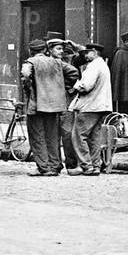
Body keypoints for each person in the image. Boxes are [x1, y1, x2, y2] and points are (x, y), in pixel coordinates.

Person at [20, 39, 78, 177]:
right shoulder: (57, 62)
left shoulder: (31, 62)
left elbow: (25, 75)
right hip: (55, 105)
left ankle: (44, 167)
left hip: (37, 105)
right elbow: (74, 72)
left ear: (31, 51)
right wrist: (64, 88)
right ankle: (55, 165)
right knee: (52, 136)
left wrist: (29, 87)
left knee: (37, 136)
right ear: (45, 50)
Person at [69, 44, 113, 176]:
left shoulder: (93, 66)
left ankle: (85, 166)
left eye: (86, 53)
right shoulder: (103, 65)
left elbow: (85, 86)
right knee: (94, 137)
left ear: (94, 52)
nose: (85, 56)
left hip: (90, 106)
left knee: (78, 136)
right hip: (101, 106)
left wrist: (74, 83)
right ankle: (95, 165)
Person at [46, 38, 82, 175]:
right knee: (53, 134)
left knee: (67, 134)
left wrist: (70, 89)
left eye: (62, 49)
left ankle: (71, 164)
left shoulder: (69, 60)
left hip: (66, 101)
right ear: (50, 50)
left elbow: (82, 62)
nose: (61, 51)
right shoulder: (46, 62)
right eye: (58, 49)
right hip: (51, 102)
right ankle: (55, 165)